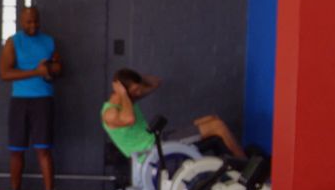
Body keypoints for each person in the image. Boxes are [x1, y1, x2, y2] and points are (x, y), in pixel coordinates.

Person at [102, 67, 246, 160]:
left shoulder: (128, 101)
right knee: (218, 126)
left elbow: (156, 82)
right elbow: (129, 119)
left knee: (212, 118)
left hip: (158, 140)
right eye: (135, 91)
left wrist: (136, 81)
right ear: (124, 91)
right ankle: (244, 164)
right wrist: (122, 93)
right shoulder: (110, 113)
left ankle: (230, 158)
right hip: (152, 151)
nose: (139, 93)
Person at [0, 7, 62, 190]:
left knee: (43, 149)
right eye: (28, 22)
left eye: (35, 21)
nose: (33, 25)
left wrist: (52, 68)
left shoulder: (49, 41)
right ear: (21, 21)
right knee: (16, 150)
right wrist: (37, 71)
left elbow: (59, 68)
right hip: (20, 100)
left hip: (43, 99)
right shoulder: (13, 42)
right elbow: (5, 73)